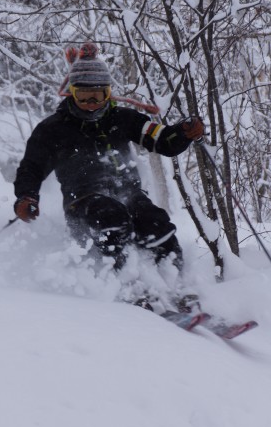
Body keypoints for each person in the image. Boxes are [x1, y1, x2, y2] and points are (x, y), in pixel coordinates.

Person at [13, 43, 204, 278]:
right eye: (83, 96)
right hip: (82, 202)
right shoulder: (53, 129)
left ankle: (178, 287)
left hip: (129, 194)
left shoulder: (124, 119)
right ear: (72, 92)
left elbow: (161, 140)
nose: (91, 104)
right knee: (112, 218)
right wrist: (27, 196)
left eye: (97, 95)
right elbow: (31, 167)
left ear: (108, 93)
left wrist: (183, 133)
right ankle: (124, 288)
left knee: (156, 222)